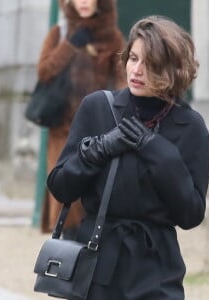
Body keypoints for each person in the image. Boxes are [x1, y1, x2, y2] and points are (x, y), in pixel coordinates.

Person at [47, 15, 209, 300]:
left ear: (172, 69)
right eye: (133, 58)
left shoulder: (190, 126)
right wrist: (99, 149)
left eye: (150, 63)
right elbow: (60, 186)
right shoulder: (98, 107)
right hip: (95, 266)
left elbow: (191, 214)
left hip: (157, 270)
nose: (137, 70)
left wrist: (155, 148)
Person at [37, 0, 126, 236]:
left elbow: (122, 79)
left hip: (99, 130)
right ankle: (65, 255)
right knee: (66, 197)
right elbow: (44, 72)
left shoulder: (112, 37)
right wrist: (69, 46)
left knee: (94, 200)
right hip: (63, 131)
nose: (84, 1)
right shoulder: (60, 33)